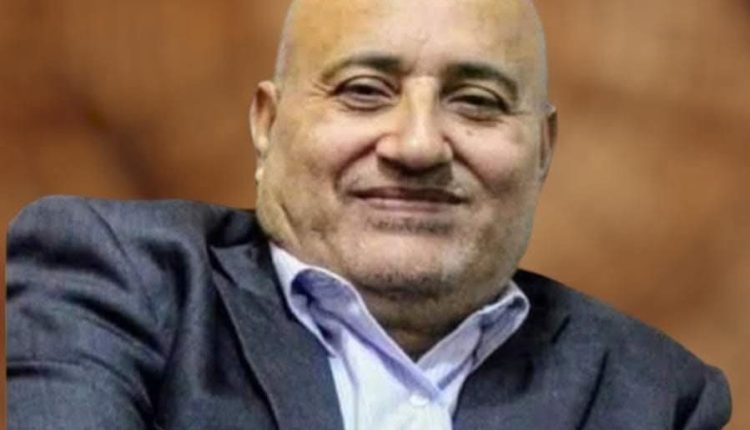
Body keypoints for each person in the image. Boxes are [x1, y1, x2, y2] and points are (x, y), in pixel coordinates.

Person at [6, 0, 731, 429]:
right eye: (362, 91)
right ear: (267, 124)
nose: (417, 145)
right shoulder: (120, 283)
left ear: (543, 149)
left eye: (477, 102)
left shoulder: (657, 395)